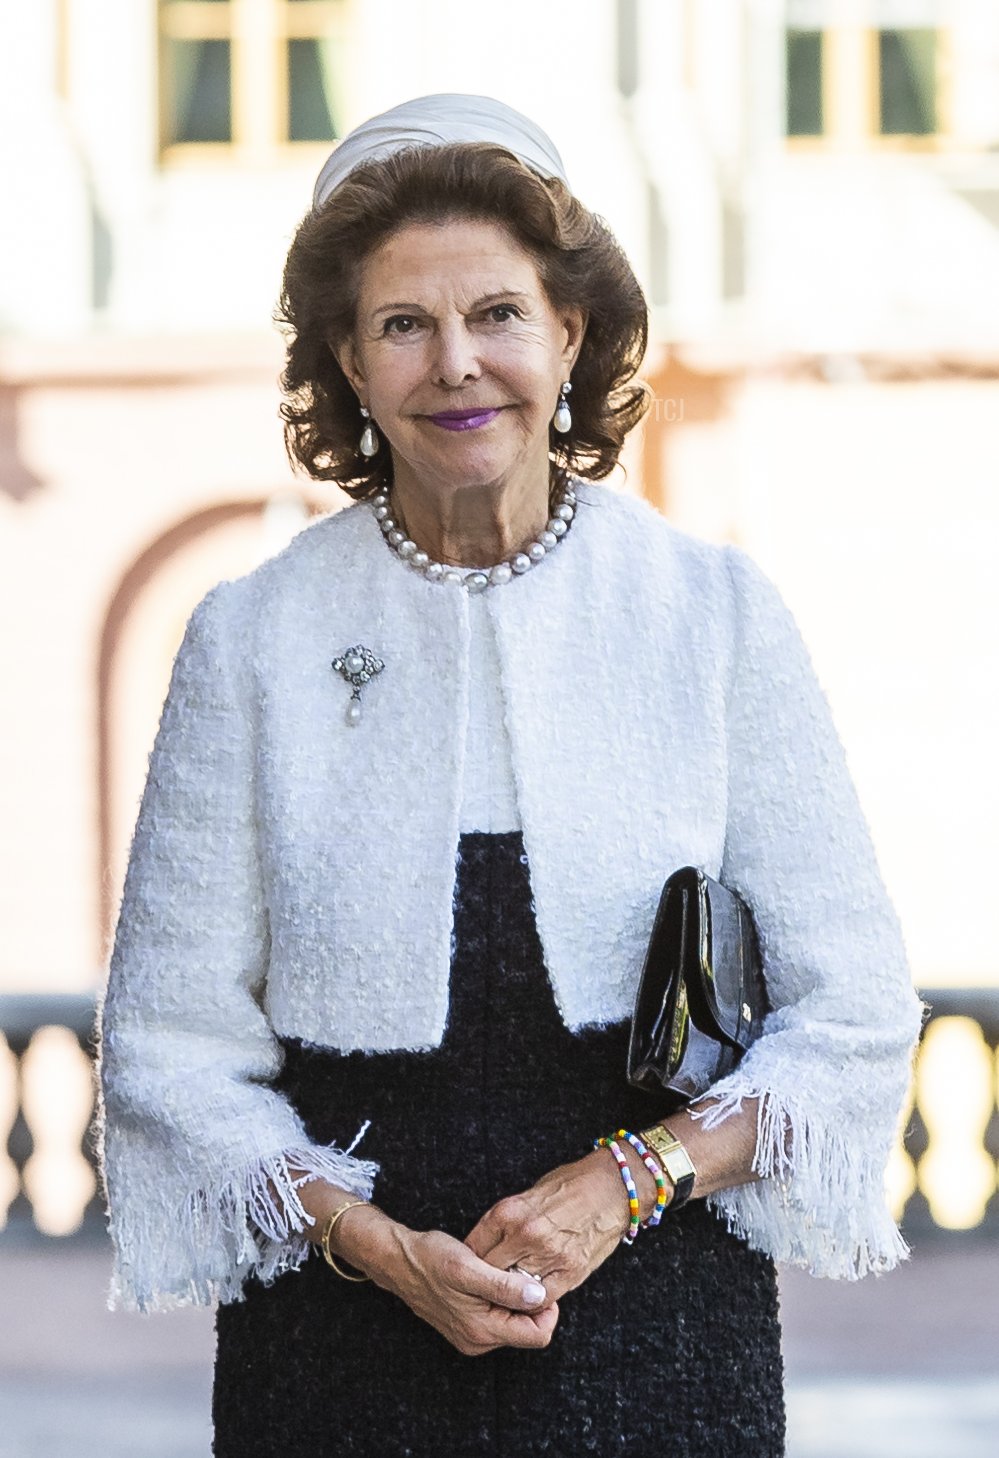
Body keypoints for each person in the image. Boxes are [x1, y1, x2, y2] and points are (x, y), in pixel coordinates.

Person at [98, 93, 925, 1457]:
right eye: (402, 325)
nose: (457, 364)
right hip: (340, 1346)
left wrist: (630, 1176)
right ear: (349, 368)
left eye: (496, 314)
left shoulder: (711, 614)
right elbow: (170, 1049)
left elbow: (849, 1018)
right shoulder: (248, 638)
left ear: (570, 333)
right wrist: (371, 1241)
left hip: (663, 1333)